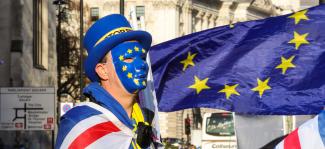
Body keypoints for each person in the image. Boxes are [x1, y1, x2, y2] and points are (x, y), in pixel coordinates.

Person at [55, 14, 160, 149]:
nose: (142, 65)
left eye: (142, 57)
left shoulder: (146, 123)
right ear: (103, 71)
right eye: (128, 58)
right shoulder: (81, 124)